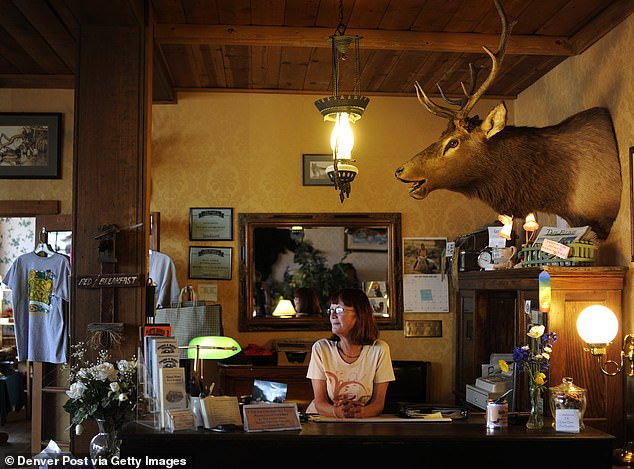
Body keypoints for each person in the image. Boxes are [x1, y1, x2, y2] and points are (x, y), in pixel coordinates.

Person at [306, 288, 394, 418]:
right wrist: (338, 412)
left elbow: (378, 404)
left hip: (362, 420)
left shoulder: (379, 350)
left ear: (359, 315)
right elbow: (320, 402)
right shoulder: (321, 348)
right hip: (324, 419)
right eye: (331, 310)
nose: (332, 315)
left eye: (339, 310)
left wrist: (358, 413)